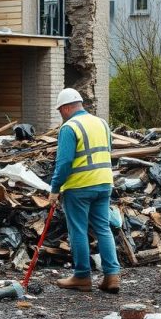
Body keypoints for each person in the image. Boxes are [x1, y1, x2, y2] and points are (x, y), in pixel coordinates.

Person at [47, 88, 121, 294]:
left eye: (61, 110)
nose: (61, 114)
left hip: (79, 186)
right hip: (104, 183)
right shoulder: (102, 123)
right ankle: (112, 276)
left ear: (68, 107)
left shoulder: (70, 127)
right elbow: (107, 150)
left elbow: (64, 162)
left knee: (78, 230)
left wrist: (54, 188)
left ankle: (81, 276)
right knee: (103, 228)